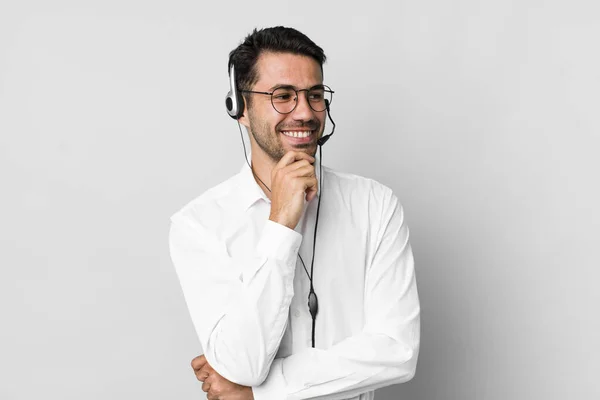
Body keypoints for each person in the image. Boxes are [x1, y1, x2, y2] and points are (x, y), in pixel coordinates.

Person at [168, 26, 420, 400]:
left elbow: (397, 351)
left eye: (315, 95)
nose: (304, 112)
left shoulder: (375, 205)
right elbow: (242, 365)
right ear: (239, 108)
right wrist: (280, 224)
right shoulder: (198, 225)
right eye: (282, 96)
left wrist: (260, 393)